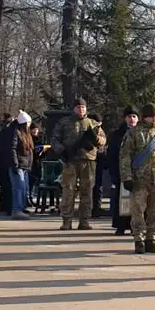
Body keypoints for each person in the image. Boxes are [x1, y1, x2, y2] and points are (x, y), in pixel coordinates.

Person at [119, 103, 155, 254]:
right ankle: (139, 239)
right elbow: (125, 156)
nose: (154, 119)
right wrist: (126, 177)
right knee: (138, 209)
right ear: (145, 117)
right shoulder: (134, 133)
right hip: (140, 179)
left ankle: (151, 239)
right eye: (151, 116)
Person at [50, 97, 108, 230]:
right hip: (70, 161)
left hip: (88, 161)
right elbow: (54, 139)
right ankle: (66, 220)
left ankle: (84, 220)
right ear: (74, 109)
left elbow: (103, 140)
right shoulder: (64, 122)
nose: (81, 110)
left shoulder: (92, 123)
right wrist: (62, 150)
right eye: (78, 107)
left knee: (86, 191)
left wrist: (95, 138)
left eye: (83, 107)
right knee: (68, 191)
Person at [109, 106, 138, 235]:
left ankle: (134, 225)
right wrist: (113, 173)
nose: (131, 119)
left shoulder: (142, 132)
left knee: (136, 200)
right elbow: (112, 154)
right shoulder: (117, 134)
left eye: (134, 116)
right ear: (125, 118)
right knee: (121, 199)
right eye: (129, 117)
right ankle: (120, 226)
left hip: (138, 171)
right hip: (122, 171)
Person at [8, 111, 34, 220]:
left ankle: (21, 208)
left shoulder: (25, 135)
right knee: (18, 188)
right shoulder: (16, 133)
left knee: (23, 188)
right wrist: (15, 164)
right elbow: (12, 149)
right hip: (19, 165)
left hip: (24, 165)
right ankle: (16, 210)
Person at [0, 114, 16, 216]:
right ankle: (8, 207)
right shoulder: (11, 133)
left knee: (4, 186)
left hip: (1, 160)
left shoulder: (2, 131)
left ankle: (2, 206)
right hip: (7, 161)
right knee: (8, 185)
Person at [88, 112, 105, 218]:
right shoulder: (89, 130)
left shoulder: (100, 131)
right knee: (90, 186)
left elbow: (102, 143)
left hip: (99, 159)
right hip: (90, 159)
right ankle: (91, 208)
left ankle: (96, 207)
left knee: (98, 186)